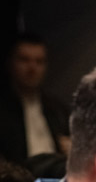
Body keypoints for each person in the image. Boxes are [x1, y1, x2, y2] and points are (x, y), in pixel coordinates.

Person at [0, 32, 70, 167]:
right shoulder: (3, 111)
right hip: (16, 178)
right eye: (24, 60)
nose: (32, 68)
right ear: (10, 63)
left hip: (57, 176)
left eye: (39, 61)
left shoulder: (58, 110)